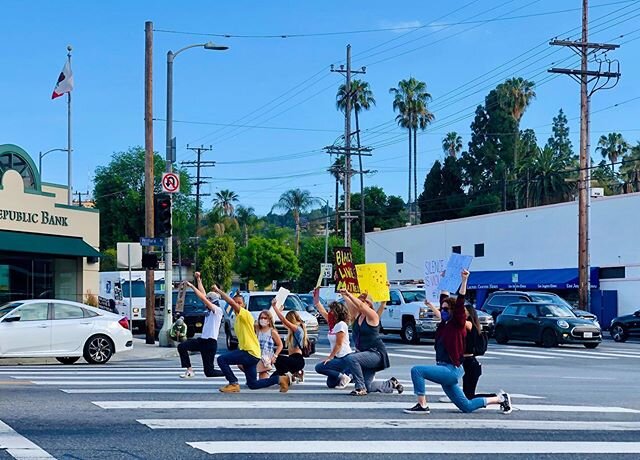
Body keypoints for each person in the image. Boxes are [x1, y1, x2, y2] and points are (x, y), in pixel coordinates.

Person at [405, 270, 512, 414]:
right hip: (445, 369)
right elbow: (444, 298)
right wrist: (444, 282)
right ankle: (500, 399)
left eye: (445, 309)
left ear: (453, 311)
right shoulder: (445, 324)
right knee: (466, 406)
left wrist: (464, 280)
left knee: (417, 370)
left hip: (451, 370)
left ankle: (422, 406)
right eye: (441, 308)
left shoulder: (458, 324)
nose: (442, 310)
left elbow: (460, 301)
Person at [341, 289, 403, 396]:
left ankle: (360, 388)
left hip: (376, 354)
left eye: (364, 301)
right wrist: (344, 293)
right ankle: (391, 383)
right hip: (364, 355)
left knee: (351, 358)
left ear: (369, 304)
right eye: (360, 300)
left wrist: (349, 294)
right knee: (368, 386)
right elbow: (350, 303)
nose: (360, 303)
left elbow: (361, 306)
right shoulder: (357, 317)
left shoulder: (373, 316)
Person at [214, 287, 263, 393]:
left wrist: (218, 291)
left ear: (244, 305)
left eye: (240, 303)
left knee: (221, 359)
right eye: (236, 303)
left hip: (249, 352)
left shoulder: (245, 314)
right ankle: (280, 379)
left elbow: (231, 302)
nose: (237, 305)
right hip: (253, 353)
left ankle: (233, 383)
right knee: (253, 384)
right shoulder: (237, 319)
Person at [177, 273, 225, 378]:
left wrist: (192, 286)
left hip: (210, 343)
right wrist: (198, 279)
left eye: (208, 300)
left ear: (212, 301)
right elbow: (203, 294)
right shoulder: (209, 309)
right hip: (203, 340)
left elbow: (203, 298)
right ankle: (189, 370)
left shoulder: (217, 310)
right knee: (182, 346)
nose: (204, 303)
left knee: (209, 372)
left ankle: (227, 372)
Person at [314, 292, 353, 389]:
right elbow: (320, 307)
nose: (329, 312)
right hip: (337, 357)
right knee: (331, 384)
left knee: (319, 367)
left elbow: (339, 344)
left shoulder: (341, 325)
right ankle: (348, 373)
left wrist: (330, 357)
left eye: (331, 310)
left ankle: (345, 376)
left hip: (344, 357)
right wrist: (316, 294)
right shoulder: (333, 324)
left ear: (336, 313)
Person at [255, 309, 283, 379]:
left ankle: (278, 380)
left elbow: (280, 345)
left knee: (263, 375)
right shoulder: (258, 330)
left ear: (269, 320)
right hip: (257, 355)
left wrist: (275, 356)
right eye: (261, 318)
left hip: (267, 357)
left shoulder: (272, 331)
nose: (263, 320)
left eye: (265, 318)